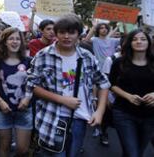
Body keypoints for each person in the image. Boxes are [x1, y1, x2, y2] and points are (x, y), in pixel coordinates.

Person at [26, 14, 110, 157]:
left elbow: (103, 83)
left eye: (71, 32)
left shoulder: (86, 56)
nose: (66, 36)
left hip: (80, 119)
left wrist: (100, 111)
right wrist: (62, 100)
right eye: (62, 32)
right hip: (52, 116)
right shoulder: (43, 55)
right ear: (56, 34)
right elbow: (31, 86)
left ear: (78, 34)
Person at [0, 27, 32, 157]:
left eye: (18, 38)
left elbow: (34, 83)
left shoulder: (29, 61)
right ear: (5, 42)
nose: (15, 41)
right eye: (11, 38)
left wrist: (27, 99)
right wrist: (0, 101)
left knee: (22, 150)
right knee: (4, 146)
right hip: (2, 110)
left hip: (24, 110)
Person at [109, 29, 154, 157]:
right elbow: (111, 84)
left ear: (149, 42)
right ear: (129, 43)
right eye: (135, 39)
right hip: (124, 113)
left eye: (143, 39)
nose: (139, 42)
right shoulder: (119, 62)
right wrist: (128, 96)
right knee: (132, 153)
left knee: (138, 151)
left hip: (150, 116)